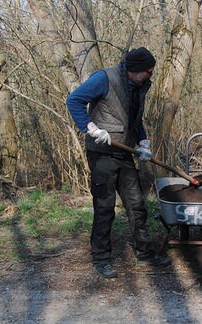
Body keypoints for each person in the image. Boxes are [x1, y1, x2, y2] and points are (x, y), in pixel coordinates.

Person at [66, 47, 172, 278]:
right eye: (148, 71)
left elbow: (136, 118)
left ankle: (144, 255)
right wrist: (91, 128)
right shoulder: (104, 78)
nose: (150, 76)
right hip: (102, 153)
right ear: (135, 70)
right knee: (105, 208)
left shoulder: (138, 86)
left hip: (124, 152)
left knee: (136, 205)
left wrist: (143, 142)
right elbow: (73, 101)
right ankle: (101, 259)